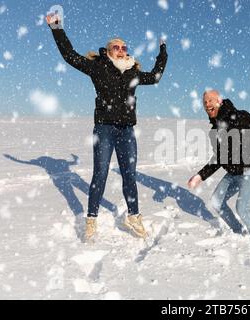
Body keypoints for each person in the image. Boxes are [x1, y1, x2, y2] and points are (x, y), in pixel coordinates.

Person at [46, 13, 168, 242]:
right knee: (100, 174)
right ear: (109, 49)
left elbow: (156, 76)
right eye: (117, 47)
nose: (122, 50)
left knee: (129, 175)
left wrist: (163, 51)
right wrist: (57, 29)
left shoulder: (133, 72)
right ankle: (91, 220)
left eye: (124, 47)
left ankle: (134, 216)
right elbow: (70, 56)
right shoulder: (98, 67)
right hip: (104, 128)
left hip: (127, 130)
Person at [188, 90, 250, 246]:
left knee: (242, 207)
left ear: (219, 102)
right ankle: (239, 232)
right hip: (234, 172)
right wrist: (200, 176)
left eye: (210, 100)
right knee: (216, 202)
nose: (207, 104)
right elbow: (219, 159)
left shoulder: (240, 116)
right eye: (204, 102)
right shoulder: (214, 131)